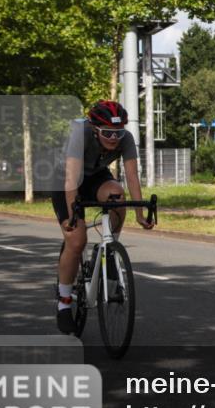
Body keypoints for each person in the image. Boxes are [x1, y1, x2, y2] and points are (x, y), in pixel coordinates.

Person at [52, 101, 154, 333]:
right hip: (66, 180)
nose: (113, 138)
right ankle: (64, 302)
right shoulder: (81, 132)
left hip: (96, 176)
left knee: (117, 195)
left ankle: (108, 246)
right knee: (77, 240)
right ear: (95, 128)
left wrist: (139, 214)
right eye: (107, 133)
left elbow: (131, 176)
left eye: (118, 133)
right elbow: (71, 179)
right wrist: (73, 216)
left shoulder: (125, 138)